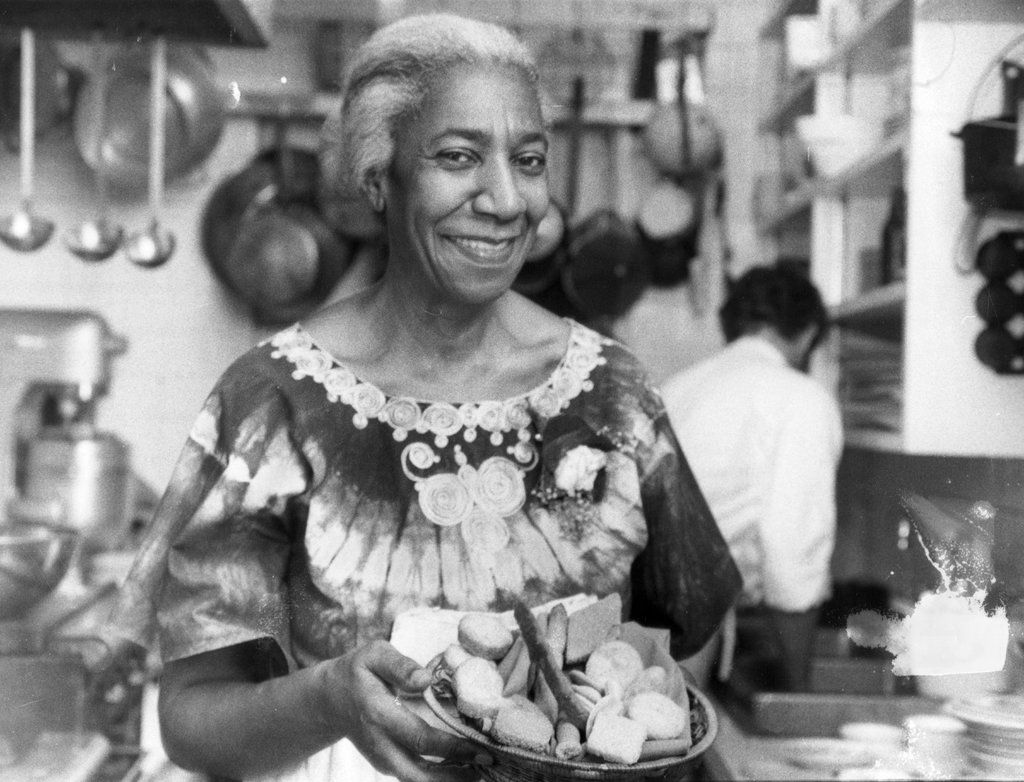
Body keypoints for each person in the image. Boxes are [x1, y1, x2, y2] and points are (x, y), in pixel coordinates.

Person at [107, 14, 741, 782]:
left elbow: (694, 635)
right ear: (379, 176)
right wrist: (327, 700)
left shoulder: (613, 392)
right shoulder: (273, 402)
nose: (507, 199)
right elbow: (192, 720)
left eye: (529, 159)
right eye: (458, 156)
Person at [660, 264, 843, 691]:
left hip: (639, 619)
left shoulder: (678, 386)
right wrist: (799, 692)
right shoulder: (802, 398)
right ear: (808, 333)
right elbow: (790, 551)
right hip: (689, 626)